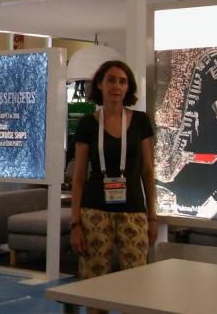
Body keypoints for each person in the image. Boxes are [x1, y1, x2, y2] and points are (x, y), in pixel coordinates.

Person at [69, 60, 157, 295]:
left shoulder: (141, 121)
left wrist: (152, 216)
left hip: (133, 211)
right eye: (111, 80)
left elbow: (148, 170)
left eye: (122, 81)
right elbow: (79, 176)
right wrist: (75, 223)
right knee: (94, 286)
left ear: (128, 87)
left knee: (137, 285)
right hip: (94, 211)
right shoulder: (87, 124)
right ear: (100, 84)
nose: (116, 86)